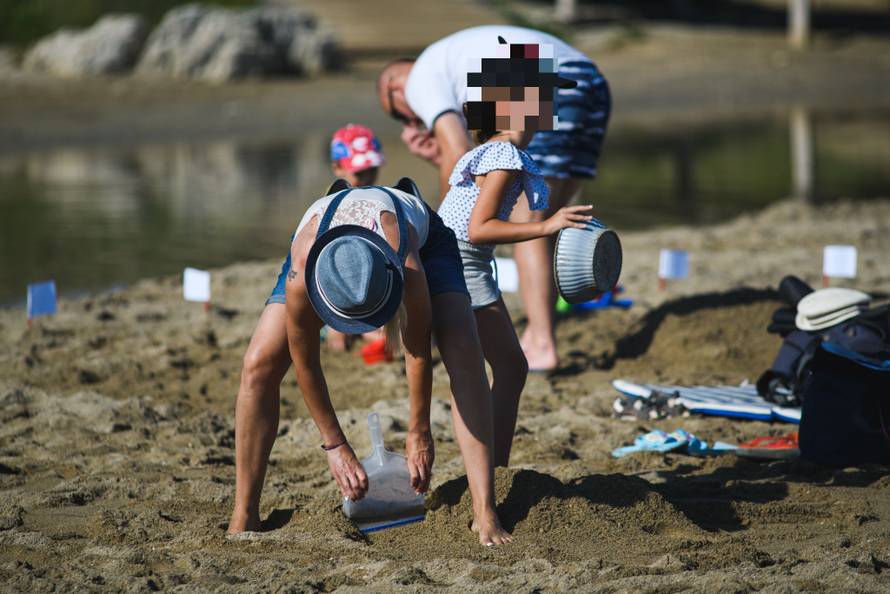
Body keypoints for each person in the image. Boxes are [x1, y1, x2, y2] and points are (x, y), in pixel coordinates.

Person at [227, 178, 513, 546]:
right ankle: (244, 511)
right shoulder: (302, 272)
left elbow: (417, 350)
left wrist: (418, 433)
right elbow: (306, 362)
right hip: (326, 247)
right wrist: (335, 446)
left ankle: (484, 510)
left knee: (463, 349)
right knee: (257, 364)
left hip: (422, 239)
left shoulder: (407, 267)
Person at [377, 25, 611, 372]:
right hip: (590, 79)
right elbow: (478, 170)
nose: (411, 121)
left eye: (400, 113)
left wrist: (438, 237)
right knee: (541, 217)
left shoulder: (420, 78)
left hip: (538, 71)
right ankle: (538, 335)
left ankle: (542, 341)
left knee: (531, 220)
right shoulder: (454, 62)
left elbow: (460, 154)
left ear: (395, 86)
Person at [439, 37, 594, 464]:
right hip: (462, 268)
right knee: (510, 368)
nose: (552, 107)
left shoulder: (495, 151)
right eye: (546, 96)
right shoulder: (504, 155)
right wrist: (548, 224)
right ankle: (496, 468)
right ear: (516, 103)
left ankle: (495, 466)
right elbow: (479, 229)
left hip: (458, 265)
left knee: (509, 368)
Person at [326, 124, 386, 351]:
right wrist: (335, 325)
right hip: (336, 295)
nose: (368, 178)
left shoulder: (381, 202)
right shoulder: (330, 208)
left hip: (373, 292)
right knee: (339, 342)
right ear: (337, 168)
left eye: (373, 170)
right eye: (360, 173)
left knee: (386, 342)